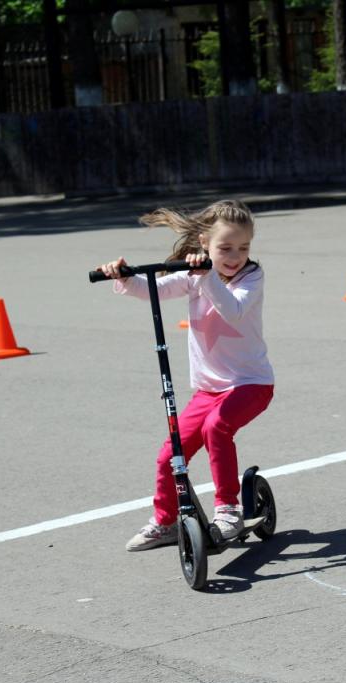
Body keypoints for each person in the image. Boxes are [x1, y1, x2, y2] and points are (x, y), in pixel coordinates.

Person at [97, 200, 274, 551]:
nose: (235, 255)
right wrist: (125, 278)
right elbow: (155, 291)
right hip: (209, 391)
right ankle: (165, 522)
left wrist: (207, 276)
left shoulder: (250, 277)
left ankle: (228, 510)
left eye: (243, 247)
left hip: (251, 383)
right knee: (170, 455)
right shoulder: (195, 277)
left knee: (216, 428)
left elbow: (234, 311)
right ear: (204, 243)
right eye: (225, 247)